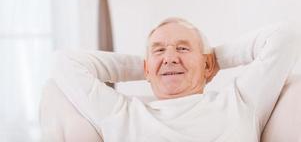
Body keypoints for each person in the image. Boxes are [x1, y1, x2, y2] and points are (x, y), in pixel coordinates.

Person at [51, 17, 299, 142]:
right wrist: (149, 67)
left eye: (182, 49)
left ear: (207, 64)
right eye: (159, 50)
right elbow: (63, 62)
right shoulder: (120, 113)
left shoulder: (240, 102)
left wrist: (212, 61)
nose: (169, 58)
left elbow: (284, 36)